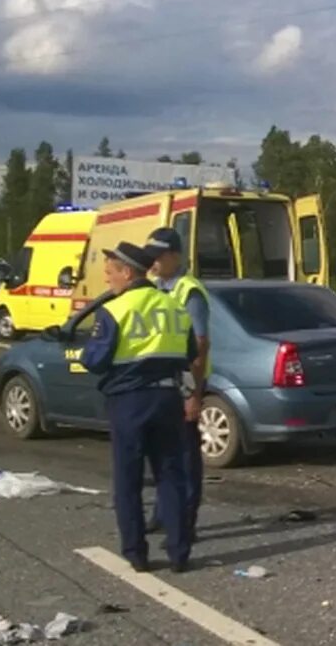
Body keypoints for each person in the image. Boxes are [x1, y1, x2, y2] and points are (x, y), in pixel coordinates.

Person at [81, 242, 196, 573]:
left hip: (130, 400)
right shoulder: (173, 307)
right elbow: (188, 351)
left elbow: (96, 361)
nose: (107, 281)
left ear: (127, 272)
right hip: (168, 398)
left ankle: (137, 554)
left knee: (128, 480)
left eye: (110, 273)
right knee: (171, 476)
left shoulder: (116, 310)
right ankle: (179, 553)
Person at [144, 227, 210, 542]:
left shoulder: (189, 290)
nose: (153, 261)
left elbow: (200, 343)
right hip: (161, 380)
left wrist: (194, 393)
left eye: (158, 255)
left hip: (185, 379)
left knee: (185, 454)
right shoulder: (157, 286)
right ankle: (163, 512)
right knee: (161, 451)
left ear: (174, 256)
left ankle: (186, 520)